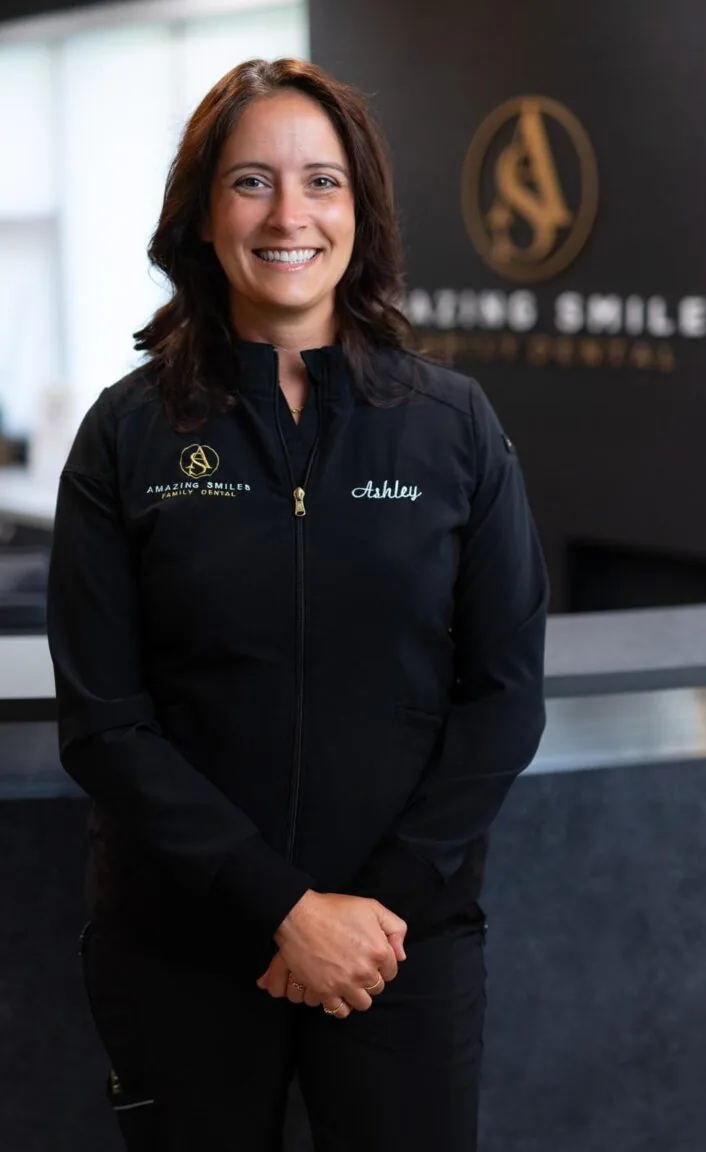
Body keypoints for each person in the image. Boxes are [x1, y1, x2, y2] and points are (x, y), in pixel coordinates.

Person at [47, 57, 548, 1152]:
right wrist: (281, 908)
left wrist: (367, 919)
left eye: (322, 181)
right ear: (201, 211)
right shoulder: (128, 433)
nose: (289, 214)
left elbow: (503, 697)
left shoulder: (453, 425)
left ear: (360, 209)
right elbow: (105, 721)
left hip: (398, 949)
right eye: (250, 182)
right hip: (182, 946)